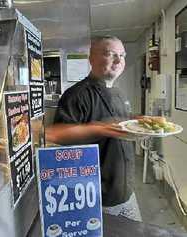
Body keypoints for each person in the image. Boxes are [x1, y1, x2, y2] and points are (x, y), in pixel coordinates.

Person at [46, 35, 142, 221]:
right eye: (110, 54)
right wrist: (99, 128)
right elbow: (56, 134)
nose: (119, 60)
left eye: (122, 55)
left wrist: (140, 122)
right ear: (91, 58)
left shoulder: (118, 93)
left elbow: (122, 124)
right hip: (97, 198)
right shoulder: (76, 95)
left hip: (126, 192)